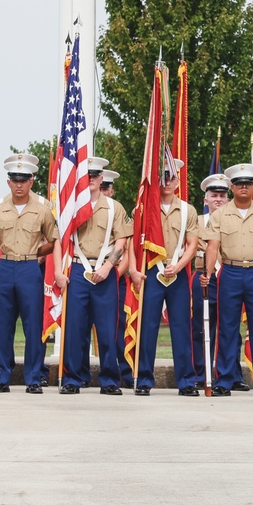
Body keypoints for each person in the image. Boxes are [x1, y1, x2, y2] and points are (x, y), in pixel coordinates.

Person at [0, 153, 58, 394]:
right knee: (3, 326)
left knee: (33, 327)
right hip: (6, 268)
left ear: (32, 180)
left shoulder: (43, 209)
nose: (19, 184)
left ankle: (33, 378)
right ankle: (1, 377)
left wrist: (37, 254)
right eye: (14, 179)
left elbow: (54, 239)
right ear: (8, 181)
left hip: (30, 269)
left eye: (23, 179)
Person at [201, 163, 253, 397]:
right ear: (232, 187)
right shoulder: (219, 215)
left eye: (247, 183)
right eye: (238, 184)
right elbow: (213, 246)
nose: (243, 187)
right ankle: (224, 381)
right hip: (230, 272)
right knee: (227, 328)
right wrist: (207, 273)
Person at [53, 157, 132, 395]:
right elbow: (59, 240)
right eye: (86, 176)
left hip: (105, 270)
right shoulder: (71, 206)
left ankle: (109, 380)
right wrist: (58, 271)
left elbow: (122, 240)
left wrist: (109, 267)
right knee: (75, 328)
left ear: (101, 178)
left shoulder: (114, 207)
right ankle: (72, 379)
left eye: (95, 176)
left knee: (107, 329)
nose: (91, 180)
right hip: (78, 270)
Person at [128, 161, 199, 396]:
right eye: (163, 177)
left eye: (171, 178)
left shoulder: (189, 210)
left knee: (181, 327)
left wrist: (179, 266)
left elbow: (192, 245)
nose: (167, 182)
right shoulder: (144, 208)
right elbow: (132, 241)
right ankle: (145, 380)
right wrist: (133, 270)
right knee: (147, 328)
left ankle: (187, 382)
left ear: (178, 182)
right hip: (151, 272)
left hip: (176, 273)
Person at [191, 173, 250, 391]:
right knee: (201, 327)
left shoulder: (236, 220)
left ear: (228, 199)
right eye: (214, 195)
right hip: (203, 278)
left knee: (231, 328)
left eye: (223, 195)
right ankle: (200, 374)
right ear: (205, 199)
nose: (218, 199)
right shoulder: (195, 221)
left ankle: (232, 375)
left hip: (229, 277)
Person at [101, 170, 134, 389]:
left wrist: (114, 272)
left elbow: (127, 249)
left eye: (106, 188)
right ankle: (80, 373)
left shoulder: (119, 212)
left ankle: (124, 372)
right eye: (100, 187)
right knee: (83, 328)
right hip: (86, 274)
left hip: (114, 276)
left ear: (112, 190)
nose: (103, 191)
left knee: (117, 328)